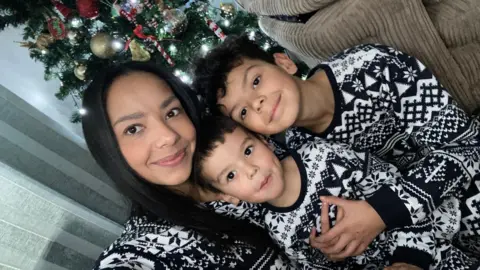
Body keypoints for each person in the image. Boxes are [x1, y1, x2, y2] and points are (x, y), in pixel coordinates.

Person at [192, 35, 480, 259]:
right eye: (242, 113)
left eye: (256, 81)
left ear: (283, 63)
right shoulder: (289, 149)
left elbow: (465, 146)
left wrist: (380, 211)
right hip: (418, 228)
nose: (257, 103)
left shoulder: (374, 67)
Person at [81, 61, 294, 269]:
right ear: (108, 150)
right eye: (134, 129)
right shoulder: (147, 249)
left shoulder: (230, 143)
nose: (168, 136)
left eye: (172, 112)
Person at [192, 115, 478, 270]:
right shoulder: (275, 226)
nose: (251, 170)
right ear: (228, 196)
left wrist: (409, 258)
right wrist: (331, 257)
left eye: (248, 151)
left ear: (265, 142)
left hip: (428, 248)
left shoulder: (322, 157)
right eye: (231, 175)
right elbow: (312, 264)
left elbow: (396, 190)